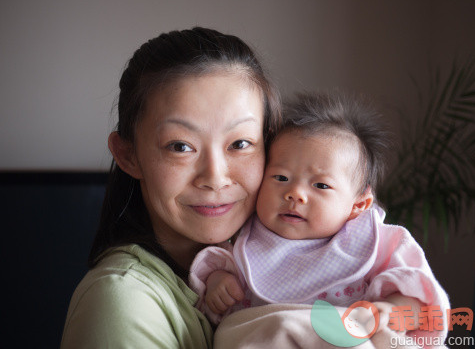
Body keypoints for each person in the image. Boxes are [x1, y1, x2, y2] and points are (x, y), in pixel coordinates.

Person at [60, 27, 281, 349]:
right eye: (180, 146)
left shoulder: (273, 272)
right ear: (128, 154)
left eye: (241, 143)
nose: (215, 177)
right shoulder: (123, 300)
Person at [189, 92, 450, 343]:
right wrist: (218, 284)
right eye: (281, 178)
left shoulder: (378, 243)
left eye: (321, 186)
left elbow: (420, 300)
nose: (295, 194)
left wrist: (389, 309)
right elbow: (215, 274)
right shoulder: (243, 235)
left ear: (359, 205)